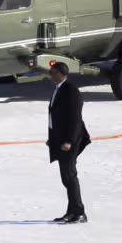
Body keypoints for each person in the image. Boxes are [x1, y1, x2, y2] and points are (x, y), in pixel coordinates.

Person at [46, 62, 91, 224]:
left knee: (70, 176)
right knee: (66, 177)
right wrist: (53, 138)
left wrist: (69, 141)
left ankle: (79, 212)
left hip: (71, 140)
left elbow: (75, 119)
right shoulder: (60, 89)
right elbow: (56, 116)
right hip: (61, 139)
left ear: (60, 73)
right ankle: (71, 212)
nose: (50, 75)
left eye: (52, 73)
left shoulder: (71, 90)